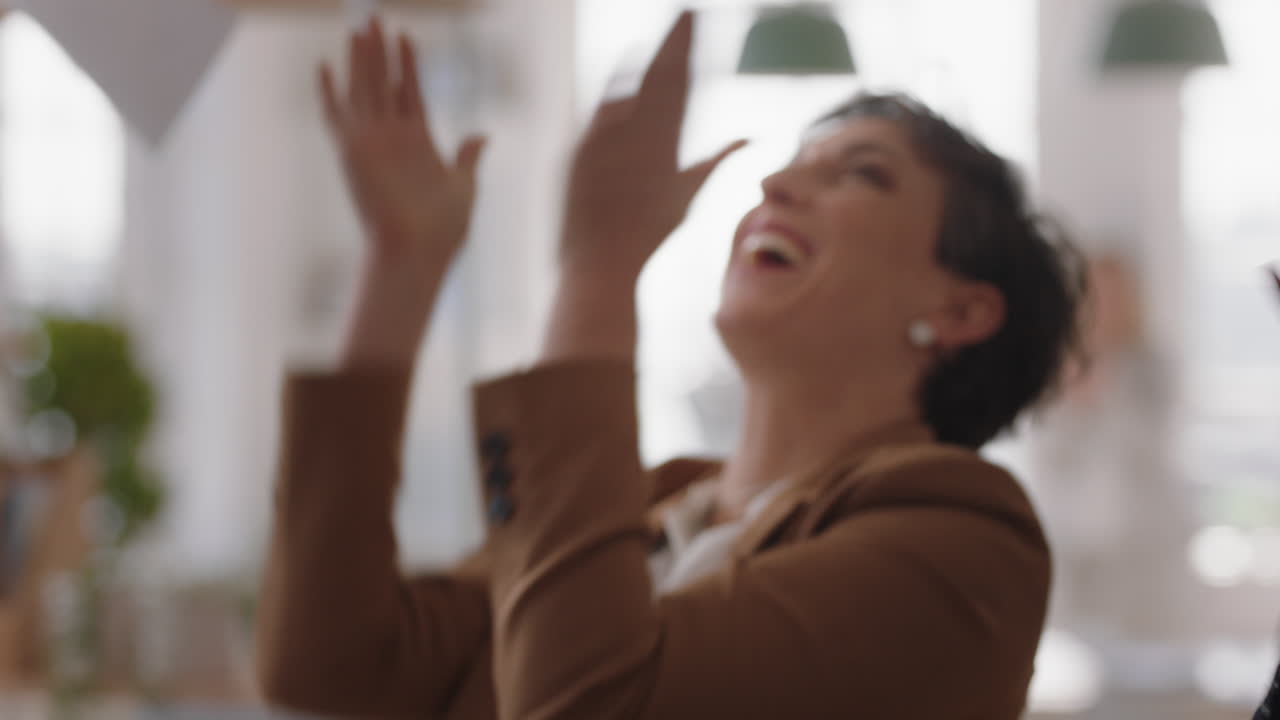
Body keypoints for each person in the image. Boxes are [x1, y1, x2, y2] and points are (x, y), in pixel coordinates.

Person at [256, 12, 1086, 719]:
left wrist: (599, 269)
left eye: (860, 173)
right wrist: (403, 266)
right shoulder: (656, 506)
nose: (779, 179)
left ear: (960, 311)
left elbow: (585, 701)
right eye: (797, 159)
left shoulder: (966, 539)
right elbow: (332, 663)